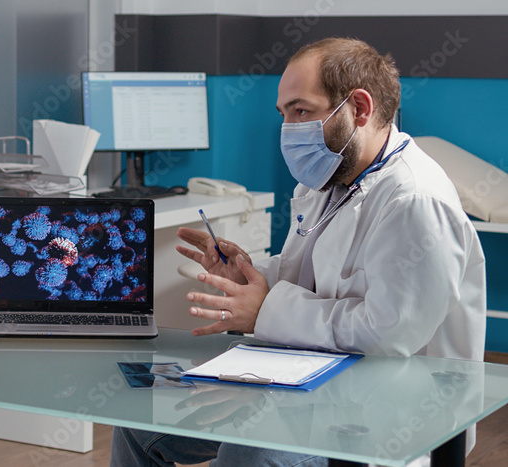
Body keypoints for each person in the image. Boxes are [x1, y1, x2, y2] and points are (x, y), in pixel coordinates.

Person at [110, 37, 486, 466]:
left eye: (301, 111)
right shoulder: (327, 180)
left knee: (248, 451)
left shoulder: (415, 201)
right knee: (139, 422)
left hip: (382, 413)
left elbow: (388, 335)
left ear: (359, 109)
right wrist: (250, 274)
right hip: (303, 379)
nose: (288, 129)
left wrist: (264, 309)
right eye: (284, 114)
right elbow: (309, 273)